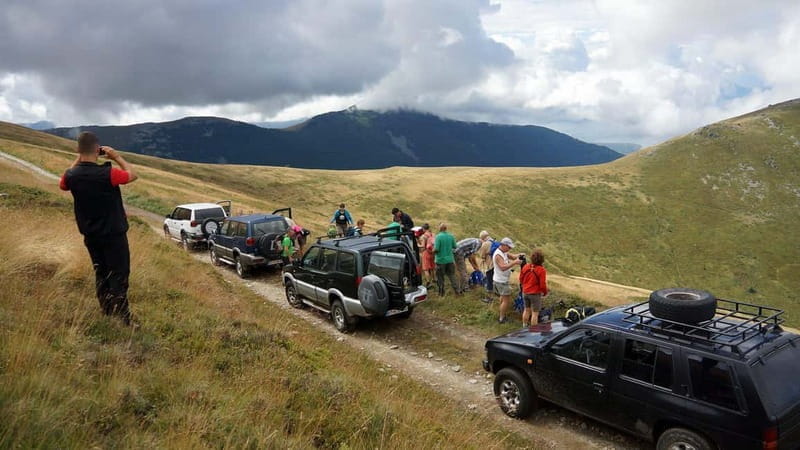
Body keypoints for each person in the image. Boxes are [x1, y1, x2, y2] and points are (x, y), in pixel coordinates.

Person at [59, 132, 138, 325]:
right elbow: (133, 175)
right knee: (119, 275)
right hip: (114, 234)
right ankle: (123, 320)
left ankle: (107, 311)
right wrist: (116, 157)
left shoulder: (71, 175)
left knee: (101, 272)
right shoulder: (108, 174)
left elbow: (63, 184)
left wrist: (80, 157)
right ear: (97, 149)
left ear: (78, 150)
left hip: (90, 234)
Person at [493, 237, 522, 323]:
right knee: (506, 301)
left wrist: (519, 255)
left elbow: (512, 256)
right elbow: (502, 267)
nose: (510, 249)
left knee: (503, 298)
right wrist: (514, 263)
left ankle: (501, 314)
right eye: (509, 247)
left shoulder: (504, 252)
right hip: (501, 281)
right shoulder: (498, 255)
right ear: (504, 245)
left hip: (501, 280)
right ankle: (502, 318)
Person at [519, 249, 548, 327]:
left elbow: (521, 279)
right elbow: (542, 284)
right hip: (535, 293)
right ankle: (533, 330)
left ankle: (524, 326)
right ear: (542, 260)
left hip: (525, 292)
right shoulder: (541, 270)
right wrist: (545, 292)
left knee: (526, 310)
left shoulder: (525, 267)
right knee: (535, 313)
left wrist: (524, 286)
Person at [433, 223, 459, 296]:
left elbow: (436, 249)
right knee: (452, 276)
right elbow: (455, 246)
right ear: (446, 228)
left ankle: (441, 293)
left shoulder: (438, 237)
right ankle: (457, 291)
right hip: (450, 260)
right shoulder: (451, 236)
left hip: (440, 260)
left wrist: (432, 251)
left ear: (440, 229)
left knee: (440, 277)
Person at [477, 230, 495, 303]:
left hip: (490, 265)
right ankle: (496, 295)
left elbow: (482, 255)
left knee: (489, 280)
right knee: (494, 280)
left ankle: (489, 298)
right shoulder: (494, 241)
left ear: (482, 237)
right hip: (497, 264)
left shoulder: (485, 244)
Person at [418, 223, 436, 287]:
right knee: (433, 267)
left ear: (423, 229)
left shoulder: (423, 236)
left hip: (426, 253)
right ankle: (434, 279)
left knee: (425, 269)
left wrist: (417, 244)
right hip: (432, 252)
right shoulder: (433, 234)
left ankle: (428, 282)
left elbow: (423, 246)